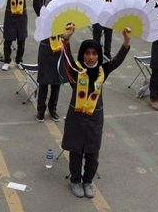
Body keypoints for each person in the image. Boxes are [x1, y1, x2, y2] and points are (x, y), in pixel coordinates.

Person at [61, 24, 131, 198]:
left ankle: (88, 181)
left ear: (98, 56)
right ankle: (75, 181)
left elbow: (116, 61)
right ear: (82, 54)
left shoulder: (102, 70)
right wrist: (66, 39)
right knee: (76, 152)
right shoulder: (76, 70)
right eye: (87, 53)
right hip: (76, 118)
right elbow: (66, 58)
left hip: (95, 118)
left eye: (94, 53)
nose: (91, 57)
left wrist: (126, 41)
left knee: (93, 154)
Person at [32, 0, 62, 122]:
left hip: (59, 53)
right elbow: (36, 6)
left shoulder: (64, 17)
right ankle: (40, 111)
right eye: (53, 1)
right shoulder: (43, 14)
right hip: (45, 51)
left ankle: (53, 109)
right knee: (44, 83)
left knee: (56, 83)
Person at [0, 0, 29, 71]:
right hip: (10, 18)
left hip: (21, 18)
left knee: (22, 41)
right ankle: (7, 61)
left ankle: (19, 60)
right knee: (8, 40)